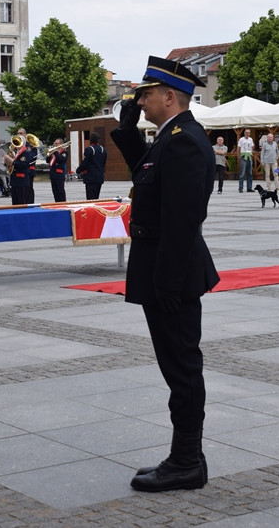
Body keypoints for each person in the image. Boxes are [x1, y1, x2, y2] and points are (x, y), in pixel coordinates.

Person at [110, 55, 219, 493]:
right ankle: (186, 457)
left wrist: (168, 281)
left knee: (182, 368)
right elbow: (149, 176)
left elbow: (182, 219)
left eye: (146, 95)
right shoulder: (172, 137)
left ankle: (186, 461)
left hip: (172, 272)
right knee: (177, 366)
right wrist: (127, 131)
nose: (140, 101)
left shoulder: (184, 141)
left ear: (169, 96)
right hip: (164, 267)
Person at [76, 131, 107, 200]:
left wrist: (78, 170)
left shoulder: (89, 149)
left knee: (90, 198)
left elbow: (84, 163)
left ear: (91, 140)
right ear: (99, 140)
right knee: (96, 197)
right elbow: (103, 163)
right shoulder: (103, 150)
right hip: (99, 176)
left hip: (91, 177)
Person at [48, 138, 68, 202]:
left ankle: (62, 203)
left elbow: (61, 159)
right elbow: (47, 160)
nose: (55, 145)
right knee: (55, 191)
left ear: (61, 144)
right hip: (53, 173)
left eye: (56, 144)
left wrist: (55, 152)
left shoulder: (64, 152)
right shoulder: (54, 152)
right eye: (54, 143)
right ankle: (56, 203)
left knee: (60, 190)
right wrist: (49, 154)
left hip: (59, 174)